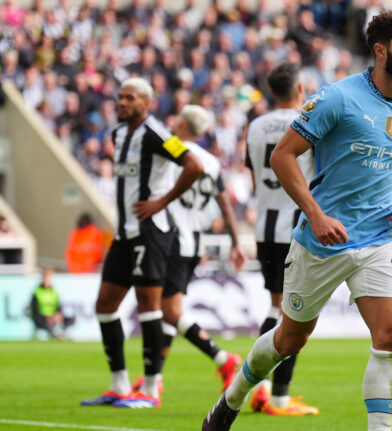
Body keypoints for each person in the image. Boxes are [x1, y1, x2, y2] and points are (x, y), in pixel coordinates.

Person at [202, 10, 392, 430]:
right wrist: (316, 214)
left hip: (380, 236)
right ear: (380, 51)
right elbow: (281, 156)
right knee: (290, 340)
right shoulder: (337, 98)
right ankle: (231, 400)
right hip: (322, 240)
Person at [81, 77, 203, 408]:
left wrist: (160, 202)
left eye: (129, 98)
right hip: (123, 234)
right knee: (105, 305)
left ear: (145, 103)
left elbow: (195, 166)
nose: (122, 103)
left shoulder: (158, 133)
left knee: (149, 307)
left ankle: (150, 389)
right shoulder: (118, 134)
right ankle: (119, 384)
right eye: (119, 97)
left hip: (152, 232)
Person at [130, 105, 246, 395]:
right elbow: (225, 206)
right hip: (194, 243)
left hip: (171, 240)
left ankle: (222, 358)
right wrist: (235, 242)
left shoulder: (173, 154)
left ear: (181, 123)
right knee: (171, 311)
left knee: (167, 311)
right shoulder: (213, 162)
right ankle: (153, 377)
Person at [244, 62, 318, 416]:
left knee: (277, 308)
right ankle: (277, 397)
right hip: (297, 227)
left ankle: (263, 389)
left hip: (264, 226)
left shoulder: (255, 126)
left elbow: (257, 178)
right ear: (300, 88)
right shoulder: (308, 121)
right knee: (294, 312)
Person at [29, 267, 73, 339]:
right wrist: (47, 317)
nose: (47, 280)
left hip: (53, 316)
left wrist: (57, 315)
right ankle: (54, 333)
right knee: (39, 320)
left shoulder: (54, 292)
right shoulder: (37, 292)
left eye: (49, 278)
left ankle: (60, 332)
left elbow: (59, 307)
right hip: (42, 317)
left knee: (71, 319)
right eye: (46, 278)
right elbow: (35, 310)